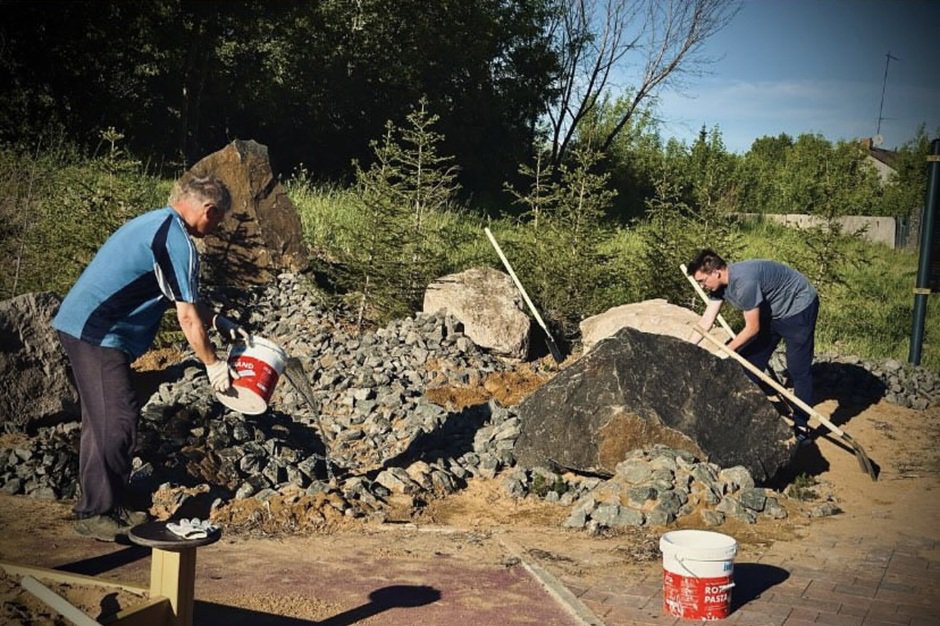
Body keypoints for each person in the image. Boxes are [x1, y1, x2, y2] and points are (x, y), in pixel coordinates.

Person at [53, 174, 249, 541]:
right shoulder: (177, 240)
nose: (216, 229)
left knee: (102, 420)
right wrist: (213, 364)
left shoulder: (158, 223)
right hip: (97, 332)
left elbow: (181, 296)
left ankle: (106, 502)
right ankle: (96, 512)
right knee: (118, 417)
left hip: (86, 325)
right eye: (218, 220)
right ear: (208, 209)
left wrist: (219, 320)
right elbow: (186, 316)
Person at [686, 249, 819, 443]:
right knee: (750, 362)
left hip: (798, 308)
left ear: (716, 272)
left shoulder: (744, 283)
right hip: (772, 310)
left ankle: (801, 425)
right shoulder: (718, 287)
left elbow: (752, 328)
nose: (702, 286)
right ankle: (745, 410)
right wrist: (686, 346)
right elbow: (706, 321)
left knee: (798, 368)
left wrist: (725, 351)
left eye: (702, 281)